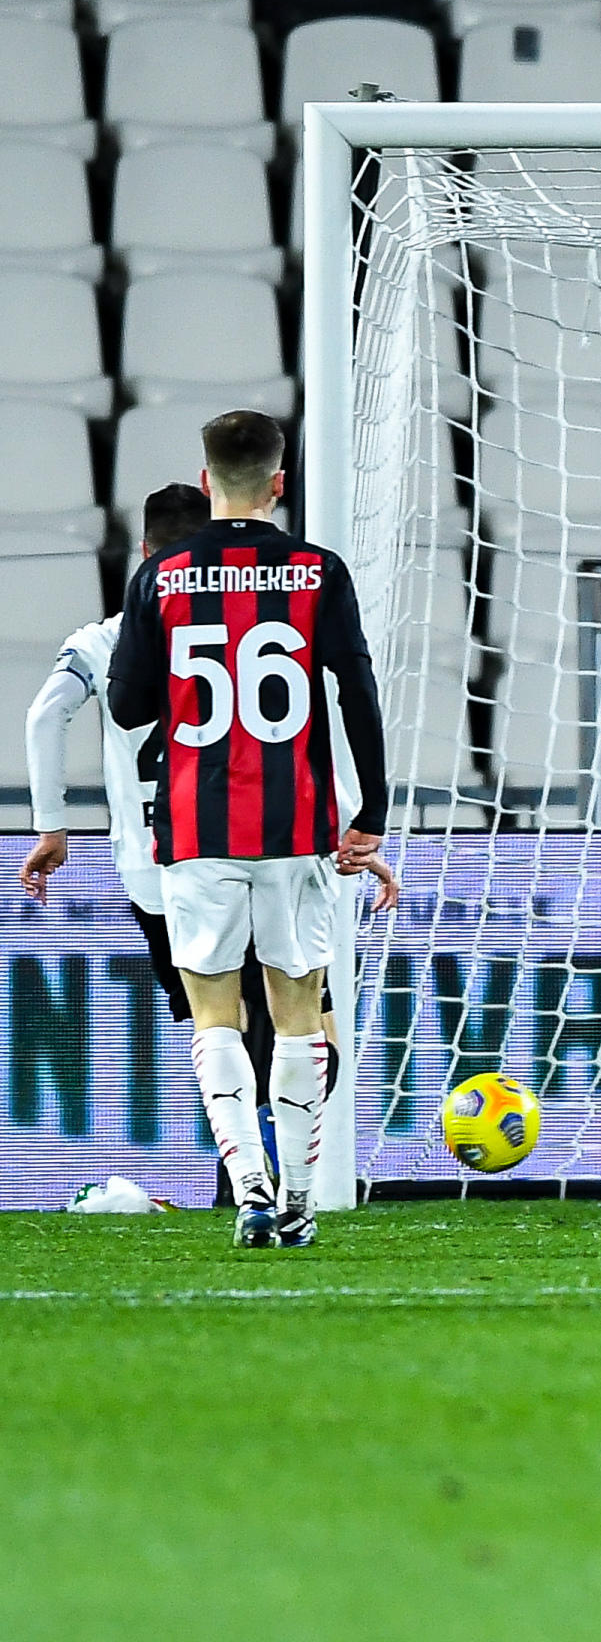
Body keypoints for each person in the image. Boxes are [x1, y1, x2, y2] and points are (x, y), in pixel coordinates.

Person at [104, 412, 391, 1249]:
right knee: (299, 1012)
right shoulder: (317, 572)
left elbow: (126, 705)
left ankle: (250, 1194)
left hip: (197, 826)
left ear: (206, 481)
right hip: (296, 824)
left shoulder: (161, 577)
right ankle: (298, 1198)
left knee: (214, 1015)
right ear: (279, 482)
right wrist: (371, 812)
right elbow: (357, 691)